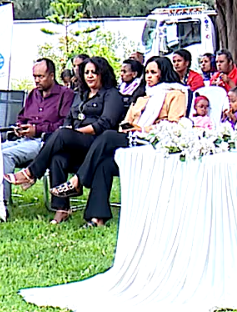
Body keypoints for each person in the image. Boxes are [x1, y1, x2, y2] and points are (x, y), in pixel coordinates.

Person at [49, 56, 189, 227]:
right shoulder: (143, 97)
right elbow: (125, 123)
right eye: (146, 72)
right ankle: (97, 218)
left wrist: (141, 129)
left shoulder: (176, 94)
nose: (148, 76)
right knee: (104, 163)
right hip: (132, 141)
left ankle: (78, 180)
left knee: (108, 135)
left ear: (164, 73)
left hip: (154, 145)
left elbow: (174, 125)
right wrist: (129, 128)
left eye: (153, 72)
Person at [5, 58, 125, 224]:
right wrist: (70, 130)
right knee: (58, 158)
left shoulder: (112, 95)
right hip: (78, 144)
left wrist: (74, 132)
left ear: (102, 74)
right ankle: (61, 209)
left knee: (62, 134)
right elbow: (69, 118)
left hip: (98, 143)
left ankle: (31, 173)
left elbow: (105, 124)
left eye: (94, 72)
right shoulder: (81, 94)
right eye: (86, 72)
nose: (90, 76)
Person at [2, 60, 74, 207]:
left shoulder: (65, 94)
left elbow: (64, 126)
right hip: (23, 139)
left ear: (51, 76)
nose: (37, 80)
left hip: (45, 142)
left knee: (5, 155)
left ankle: (2, 203)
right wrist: (20, 127)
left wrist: (37, 129)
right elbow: (22, 117)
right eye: (35, 76)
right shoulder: (33, 94)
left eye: (41, 76)